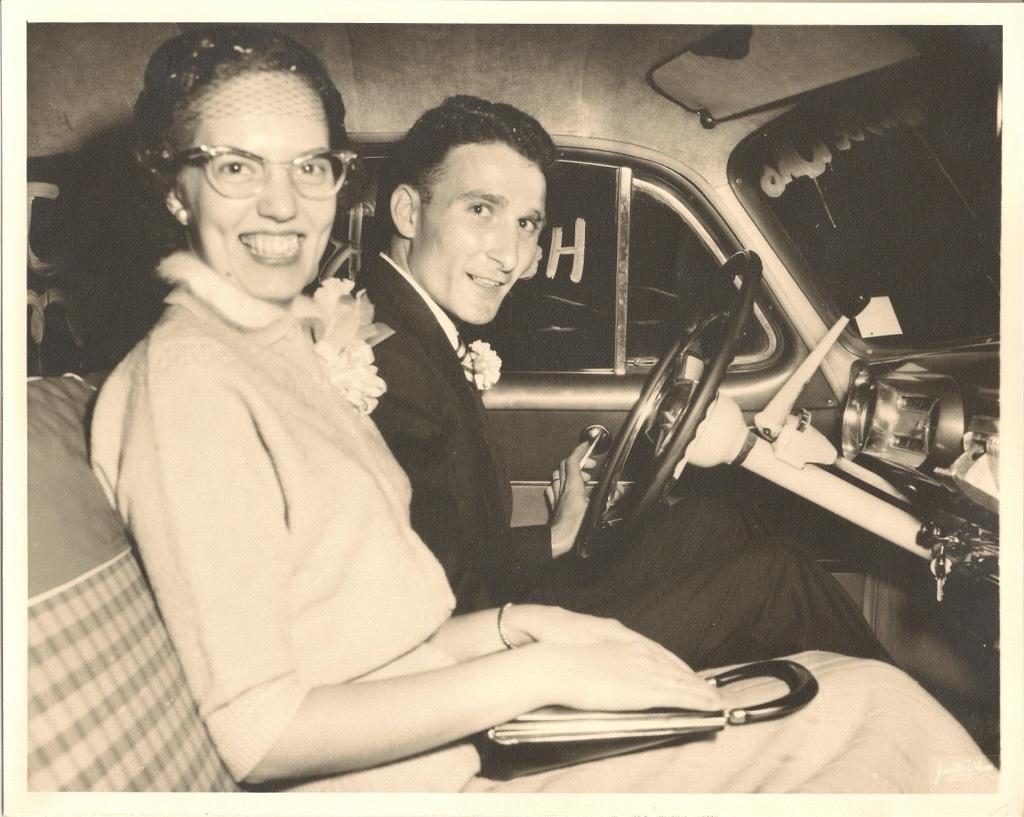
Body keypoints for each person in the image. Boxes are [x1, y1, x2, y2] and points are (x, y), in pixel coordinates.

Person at [89, 24, 989, 794]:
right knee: (874, 713)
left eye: (310, 166)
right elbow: (257, 732)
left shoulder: (280, 352)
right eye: (238, 166)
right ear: (174, 187)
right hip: (447, 773)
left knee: (864, 702)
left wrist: (523, 623)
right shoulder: (190, 381)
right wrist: (541, 668)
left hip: (457, 713)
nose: (283, 204)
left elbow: (387, 611)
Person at [359, 95, 890, 671]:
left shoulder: (407, 331)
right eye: (481, 210)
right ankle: (917, 735)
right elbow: (436, 598)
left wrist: (558, 533)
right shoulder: (388, 370)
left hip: (491, 608)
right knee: (774, 578)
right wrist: (556, 539)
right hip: (481, 658)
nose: (511, 255)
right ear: (409, 213)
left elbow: (444, 544)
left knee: (710, 522)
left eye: (526, 223)